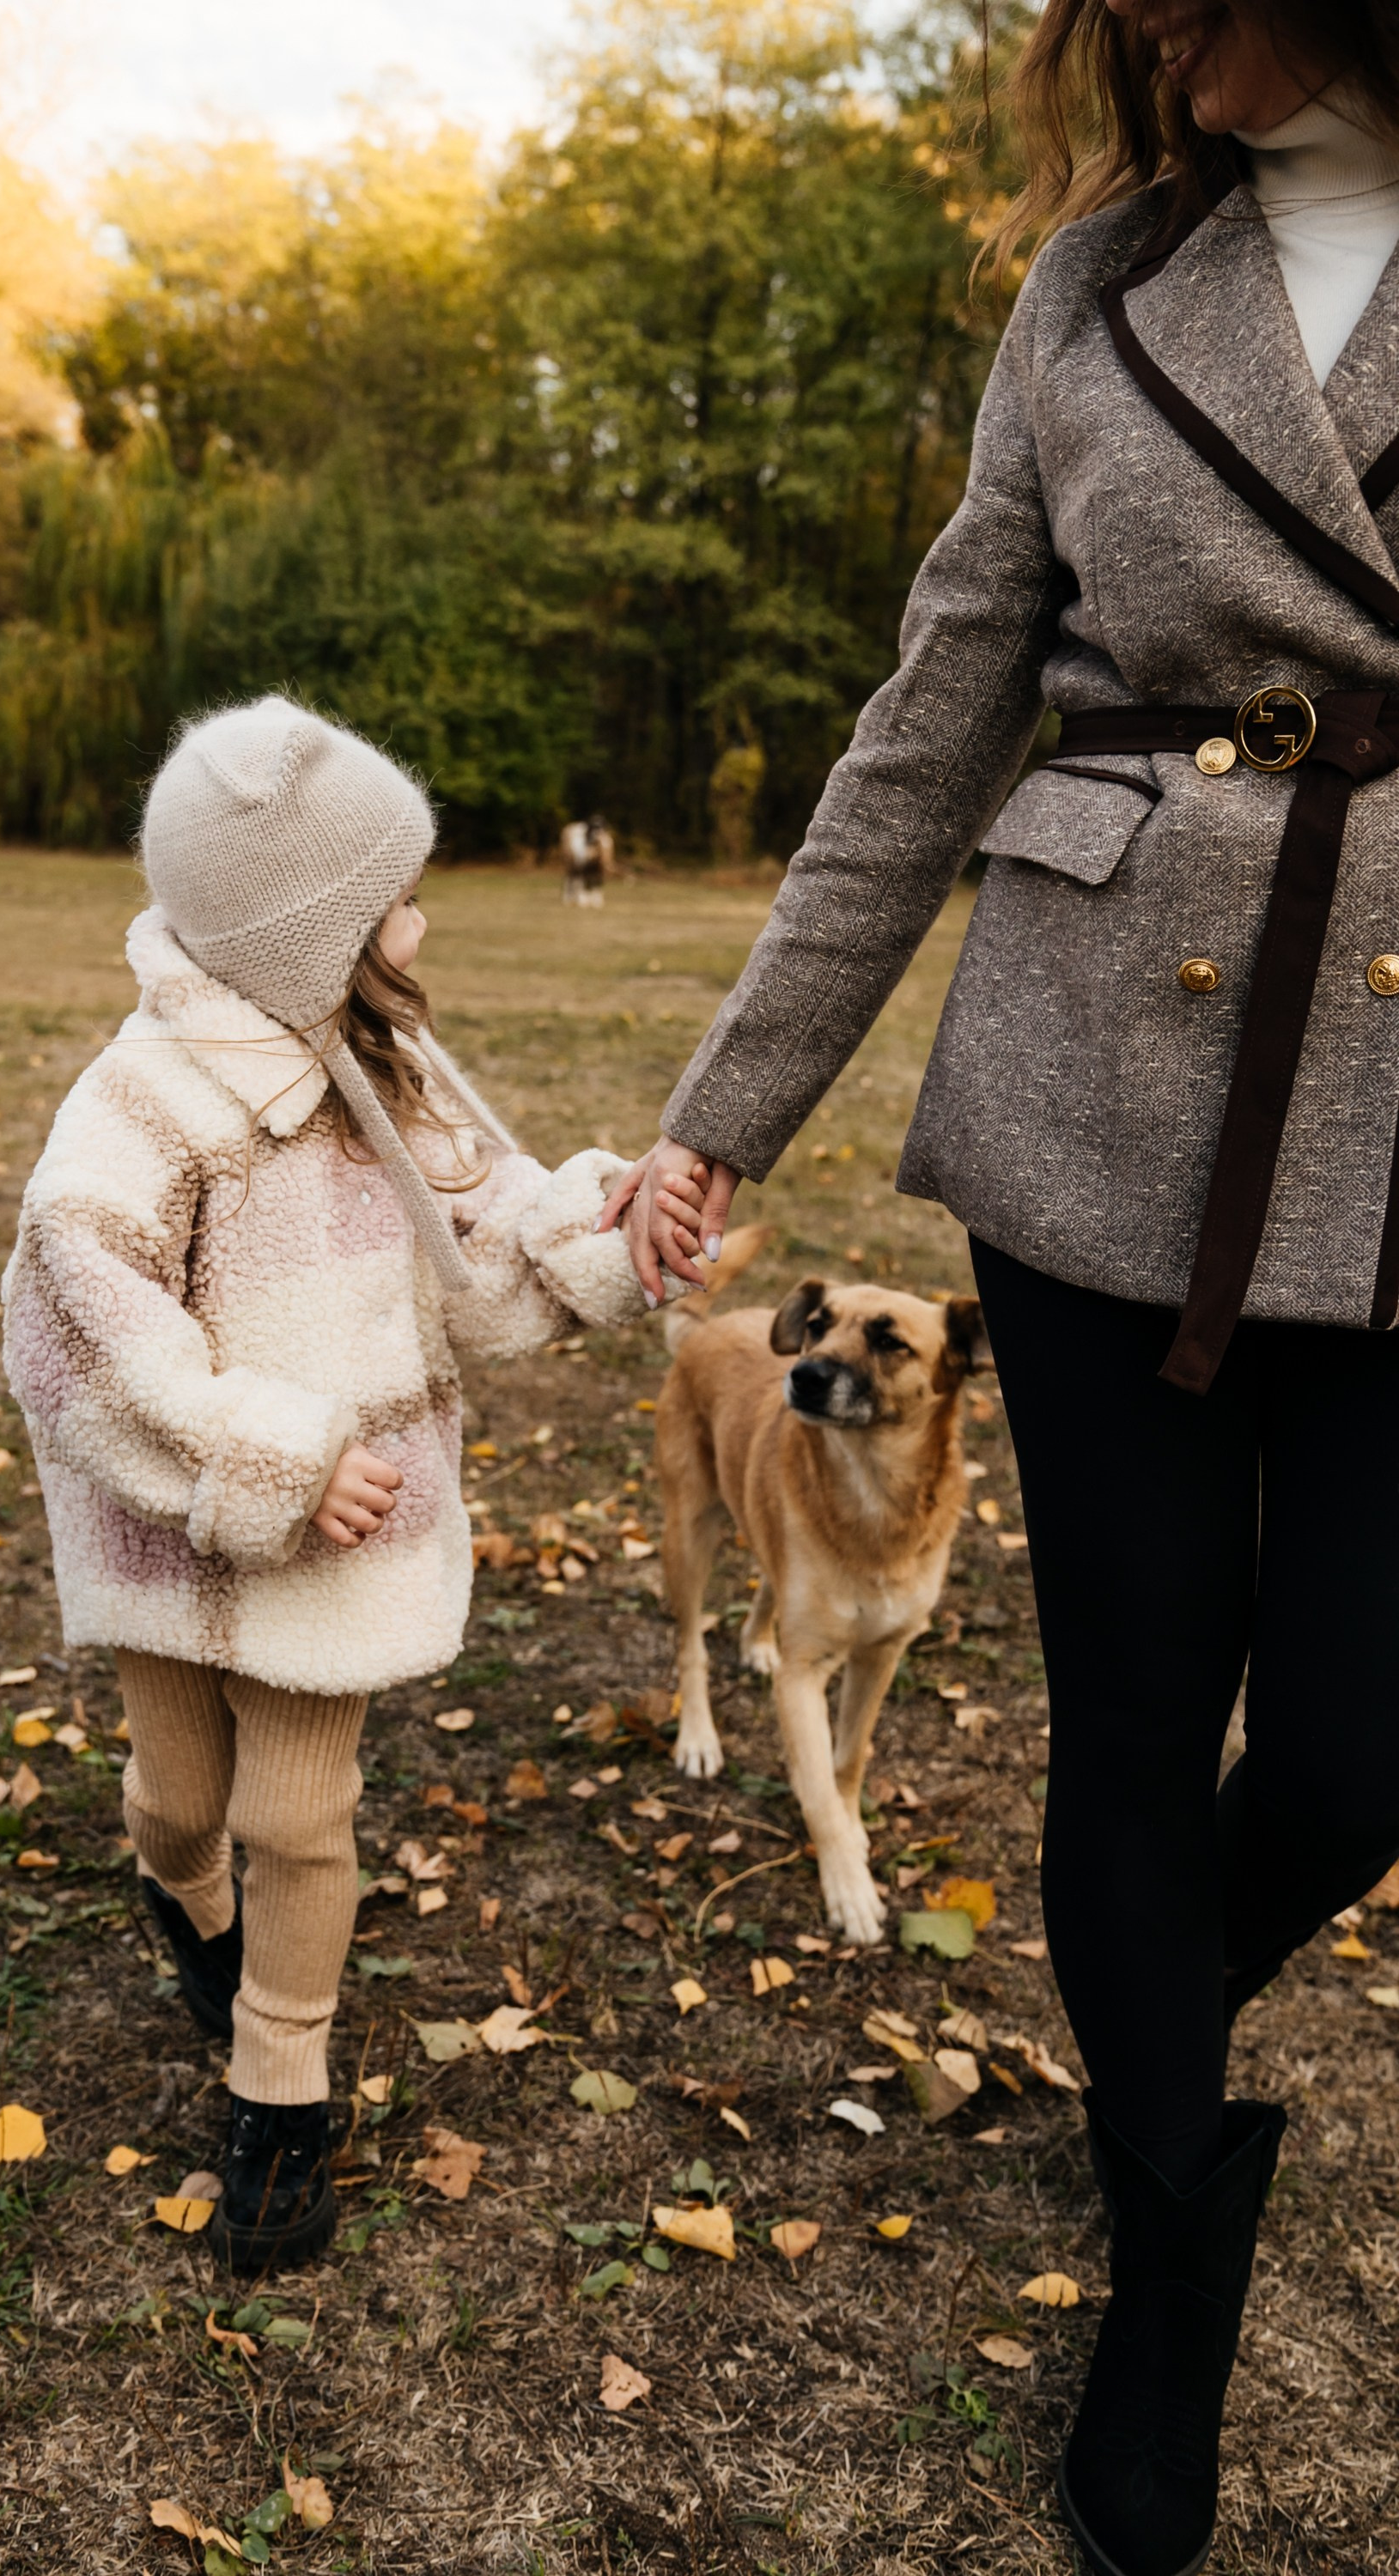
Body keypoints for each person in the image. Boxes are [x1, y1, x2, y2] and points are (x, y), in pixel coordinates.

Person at [602, 7, 1399, 2573]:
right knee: (1137, 1712)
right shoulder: (1093, 292)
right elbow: (932, 724)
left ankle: (1138, 2019)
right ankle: (1167, 2269)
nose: (1149, 23)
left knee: (1364, 1747)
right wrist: (729, 1107)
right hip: (1094, 1107)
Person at [3, 696, 680, 2279]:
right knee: (182, 1806)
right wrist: (269, 1454)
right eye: (393, 894)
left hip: (341, 1545)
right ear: (303, 931)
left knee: (297, 1815)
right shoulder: (145, 1106)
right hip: (177, 1527)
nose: (420, 918)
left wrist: (606, 1230)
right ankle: (191, 1910)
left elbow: (486, 1241)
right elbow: (73, 1337)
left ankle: (281, 2084)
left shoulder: (390, 1065)